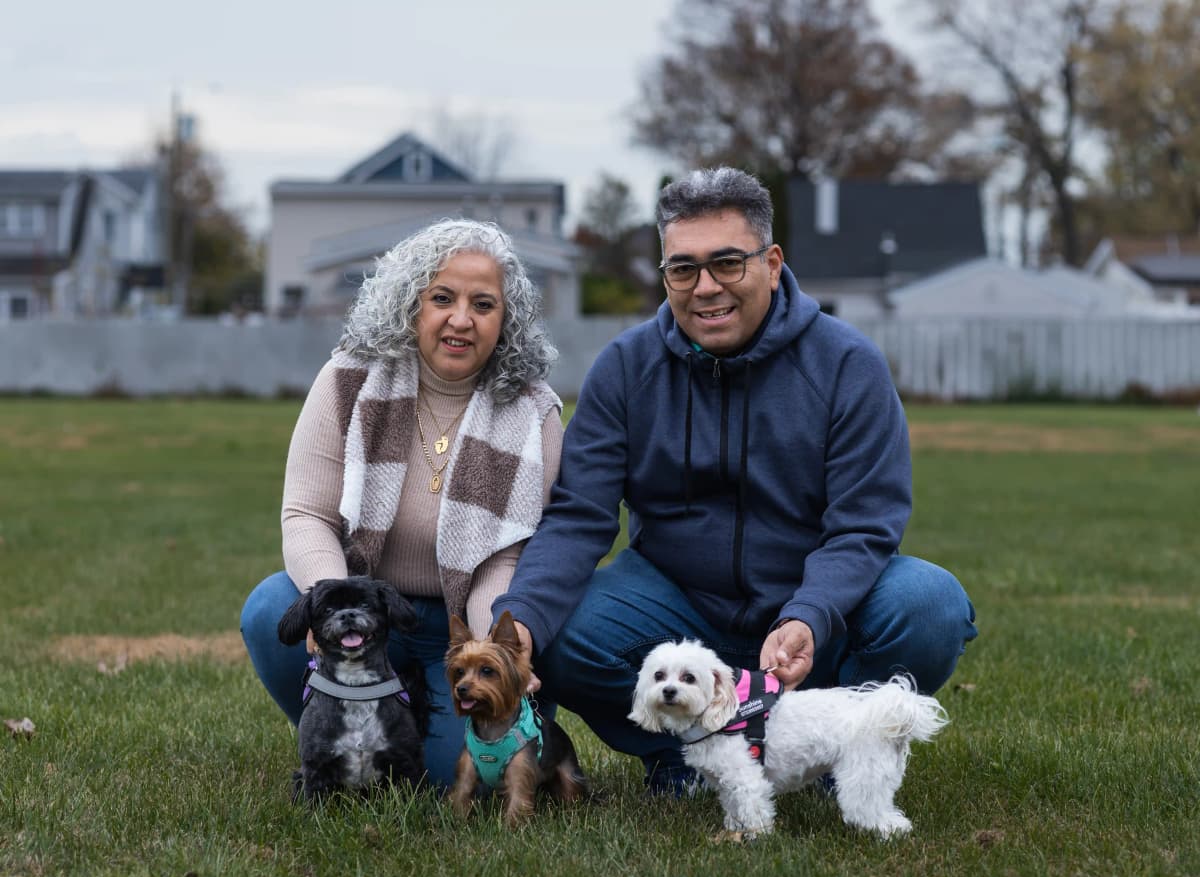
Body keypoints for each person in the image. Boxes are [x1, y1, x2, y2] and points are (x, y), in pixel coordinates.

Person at [493, 168, 978, 792]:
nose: (705, 287)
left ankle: (834, 756)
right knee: (561, 631)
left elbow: (863, 523)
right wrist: (524, 622)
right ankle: (682, 755)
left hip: (811, 608)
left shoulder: (847, 365)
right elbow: (579, 516)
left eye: (727, 262)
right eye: (683, 269)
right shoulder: (625, 367)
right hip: (677, 601)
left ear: (772, 264)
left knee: (929, 606)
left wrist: (809, 614)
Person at [240, 219, 562, 788]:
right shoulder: (347, 378)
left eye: (483, 304)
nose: (461, 319)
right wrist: (328, 602)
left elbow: (505, 559)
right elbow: (307, 514)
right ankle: (333, 745)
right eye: (442, 298)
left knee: (444, 783)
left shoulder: (533, 410)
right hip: (364, 605)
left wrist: (492, 656)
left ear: (505, 318)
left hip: (456, 629)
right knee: (271, 610)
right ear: (410, 302)